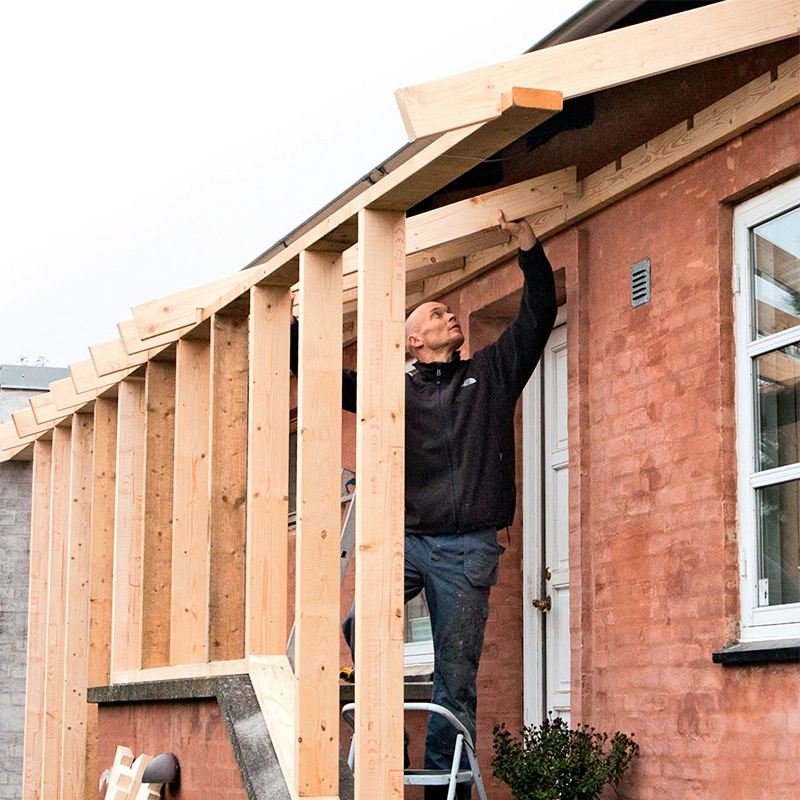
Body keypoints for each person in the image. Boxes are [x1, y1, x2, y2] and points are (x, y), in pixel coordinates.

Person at [293, 211, 556, 799]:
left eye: (449, 311)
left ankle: (443, 788)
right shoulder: (395, 388)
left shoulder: (488, 373)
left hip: (467, 549)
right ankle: (392, 750)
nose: (450, 316)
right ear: (414, 339)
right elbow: (324, 380)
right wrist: (295, 327)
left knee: (454, 678)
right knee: (359, 624)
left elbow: (538, 316)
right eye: (436, 314)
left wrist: (528, 247)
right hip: (410, 542)